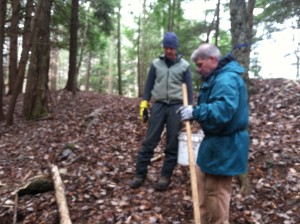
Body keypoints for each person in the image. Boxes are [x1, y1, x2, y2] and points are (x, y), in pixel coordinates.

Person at [177, 43, 249, 223]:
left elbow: (224, 110)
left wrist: (196, 111)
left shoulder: (226, 80)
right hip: (212, 145)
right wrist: (196, 113)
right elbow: (213, 108)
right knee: (201, 193)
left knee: (215, 198)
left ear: (212, 59)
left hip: (225, 147)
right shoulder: (215, 79)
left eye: (200, 65)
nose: (198, 69)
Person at [130, 32, 193, 191]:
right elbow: (149, 85)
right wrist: (144, 103)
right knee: (149, 140)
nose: (169, 51)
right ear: (163, 48)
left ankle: (165, 176)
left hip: (176, 107)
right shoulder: (156, 64)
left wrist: (190, 109)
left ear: (176, 48)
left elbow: (189, 90)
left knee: (172, 143)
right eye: (166, 47)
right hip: (158, 105)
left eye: (171, 48)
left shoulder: (184, 66)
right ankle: (140, 174)